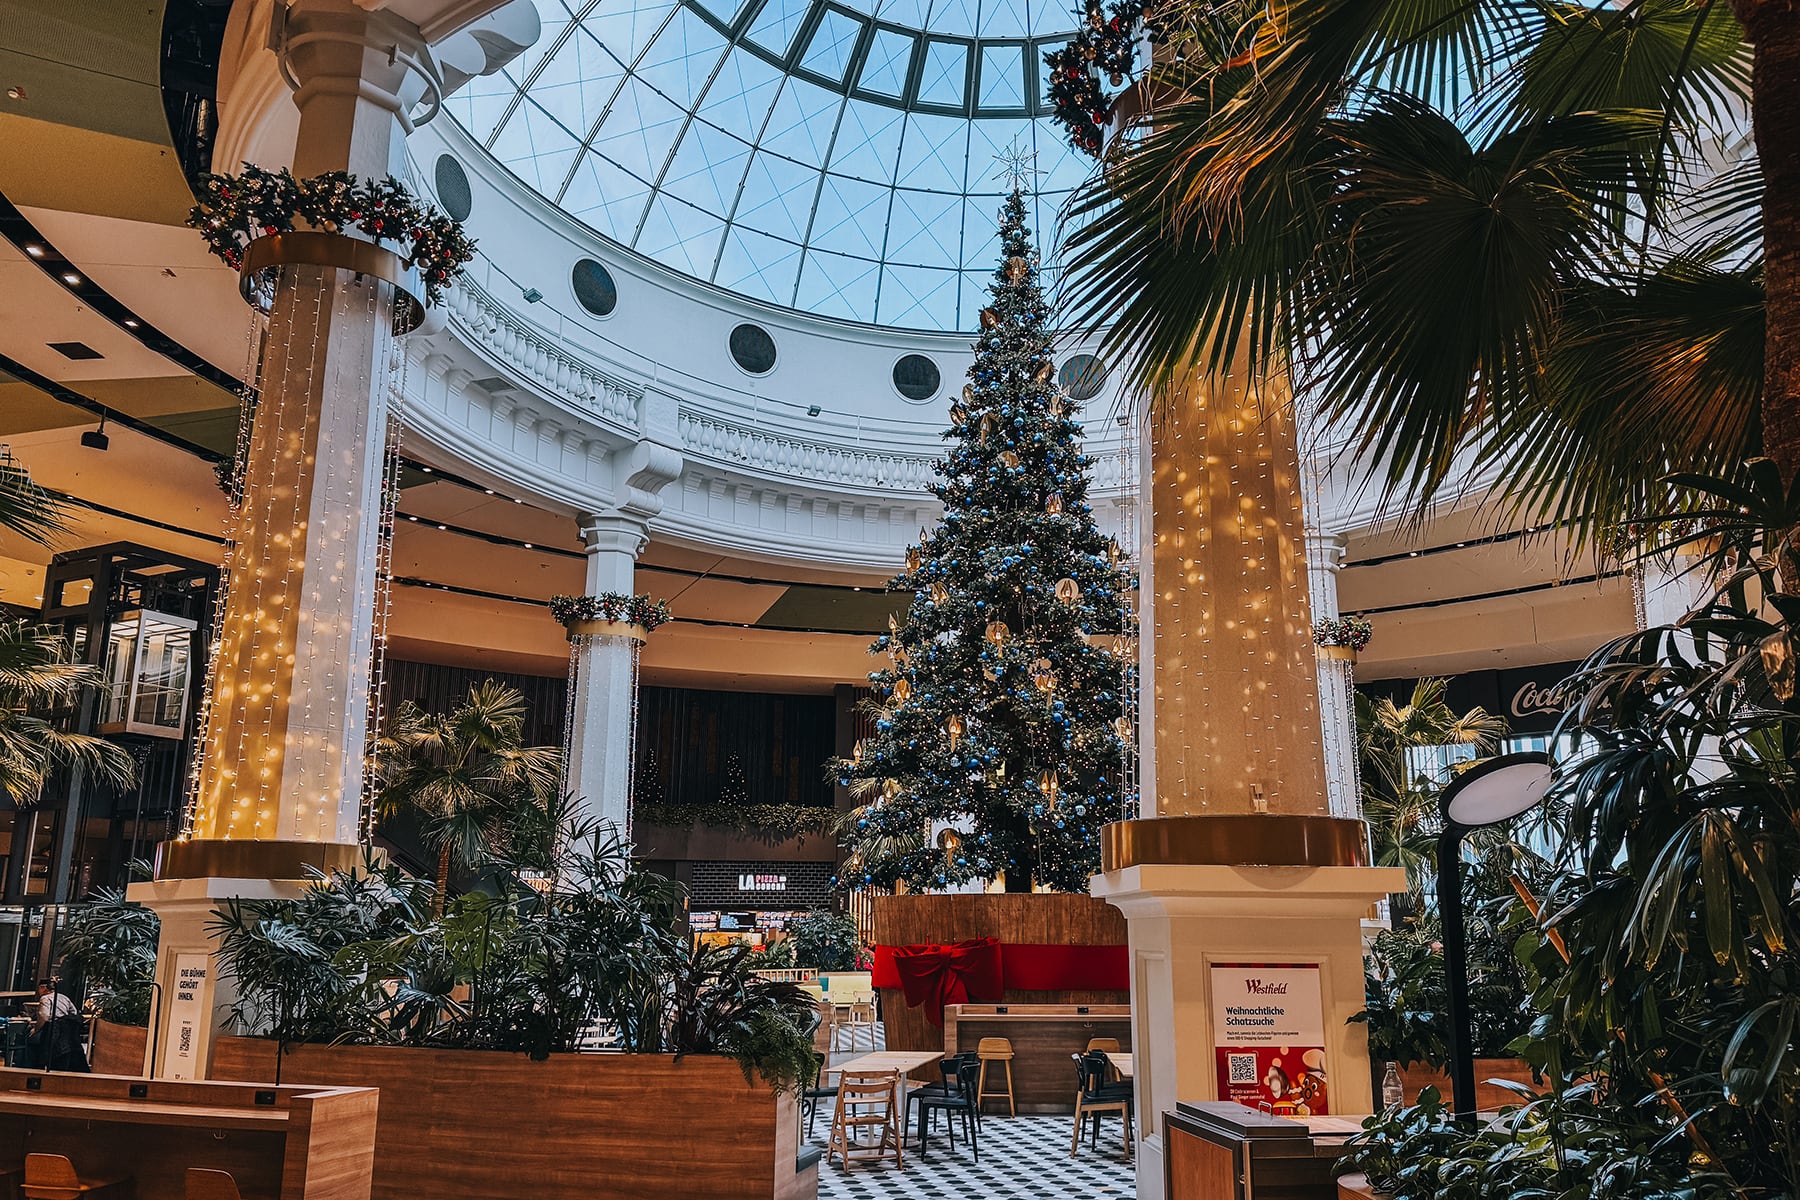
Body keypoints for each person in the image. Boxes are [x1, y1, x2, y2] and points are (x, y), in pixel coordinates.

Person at [30, 979, 90, 1072]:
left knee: (31, 1041)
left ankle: (32, 1067)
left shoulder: (45, 998)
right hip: (68, 1032)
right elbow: (73, 1012)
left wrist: (36, 1029)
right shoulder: (64, 997)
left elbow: (44, 1016)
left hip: (53, 1030)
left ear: (43, 988)